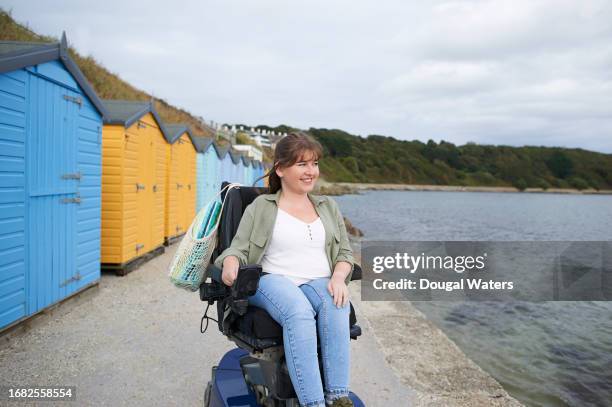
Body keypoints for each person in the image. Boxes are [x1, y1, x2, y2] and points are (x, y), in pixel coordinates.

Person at [214, 132, 355, 407]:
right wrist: (230, 262)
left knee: (338, 304)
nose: (310, 171)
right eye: (302, 164)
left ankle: (338, 398)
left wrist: (339, 277)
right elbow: (237, 249)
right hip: (271, 280)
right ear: (280, 169)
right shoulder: (262, 206)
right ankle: (313, 404)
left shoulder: (328, 207)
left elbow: (345, 253)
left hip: (317, 280)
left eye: (314, 164)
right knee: (298, 310)